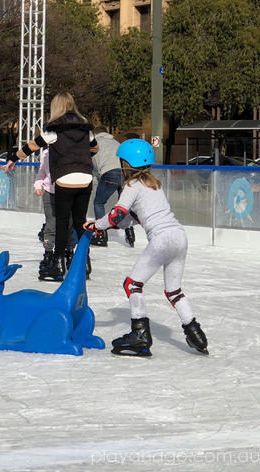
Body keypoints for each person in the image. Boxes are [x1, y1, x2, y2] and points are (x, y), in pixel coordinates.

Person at [83, 139, 208, 357]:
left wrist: (98, 225)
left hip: (161, 240)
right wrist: (106, 224)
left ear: (126, 164)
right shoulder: (154, 184)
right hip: (179, 237)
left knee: (132, 285)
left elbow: (118, 214)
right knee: (174, 291)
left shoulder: (131, 185)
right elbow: (131, 218)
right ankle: (196, 333)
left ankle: (140, 335)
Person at [4, 92, 98, 281]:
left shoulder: (54, 130)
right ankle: (84, 262)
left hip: (64, 178)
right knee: (80, 221)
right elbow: (95, 149)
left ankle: (57, 262)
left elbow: (32, 146)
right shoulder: (86, 129)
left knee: (62, 222)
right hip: (86, 178)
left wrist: (12, 159)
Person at [34, 148, 76, 281]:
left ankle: (69, 252)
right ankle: (48, 253)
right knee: (51, 224)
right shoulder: (46, 153)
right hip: (49, 191)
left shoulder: (69, 149)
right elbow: (42, 172)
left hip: (67, 190)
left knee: (69, 223)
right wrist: (38, 185)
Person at [90, 126, 135, 247]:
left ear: (95, 134)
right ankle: (130, 233)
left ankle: (101, 235)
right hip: (125, 173)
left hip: (109, 173)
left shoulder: (94, 143)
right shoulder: (116, 142)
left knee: (99, 203)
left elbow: (93, 165)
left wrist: (96, 178)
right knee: (124, 205)